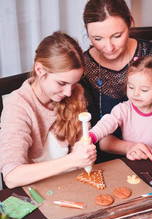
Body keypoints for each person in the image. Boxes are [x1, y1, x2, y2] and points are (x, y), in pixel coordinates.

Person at [82, 0, 152, 161]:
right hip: (109, 161)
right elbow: (97, 135)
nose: (108, 48)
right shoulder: (83, 69)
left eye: (117, 36)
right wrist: (130, 147)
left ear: (130, 23)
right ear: (87, 33)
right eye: (97, 38)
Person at [0, 31, 96, 189]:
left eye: (73, 84)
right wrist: (72, 160)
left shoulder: (75, 93)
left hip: (71, 185)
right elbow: (12, 176)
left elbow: (81, 154)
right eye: (61, 83)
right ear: (39, 70)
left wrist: (84, 152)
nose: (68, 93)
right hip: (34, 192)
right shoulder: (17, 105)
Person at [89, 55, 152, 160]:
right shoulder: (123, 110)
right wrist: (91, 136)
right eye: (131, 87)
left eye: (144, 90)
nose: (135, 93)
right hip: (136, 158)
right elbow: (106, 124)